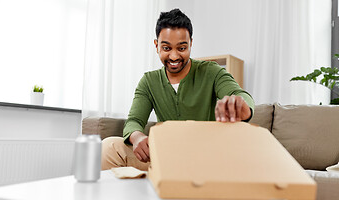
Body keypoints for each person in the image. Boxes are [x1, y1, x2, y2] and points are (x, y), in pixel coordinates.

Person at [101, 8, 255, 171]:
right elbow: (134, 121)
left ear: (190, 44)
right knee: (109, 147)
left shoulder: (211, 71)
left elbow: (240, 95)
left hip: (206, 158)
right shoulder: (149, 81)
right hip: (165, 157)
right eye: (167, 48)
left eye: (181, 48)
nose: (174, 57)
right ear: (156, 45)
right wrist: (137, 137)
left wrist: (241, 106)